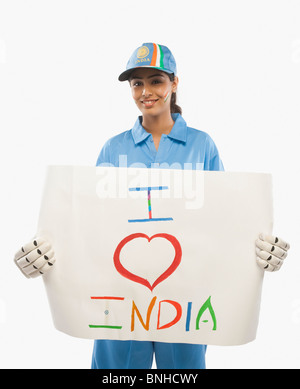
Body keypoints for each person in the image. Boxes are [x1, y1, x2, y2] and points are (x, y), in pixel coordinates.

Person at [14, 42, 290, 369]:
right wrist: (50, 250)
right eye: (137, 83)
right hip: (121, 295)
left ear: (174, 83)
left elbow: (224, 220)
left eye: (156, 80)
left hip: (185, 296)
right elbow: (92, 223)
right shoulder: (113, 148)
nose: (146, 91)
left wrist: (256, 254)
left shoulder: (202, 145)